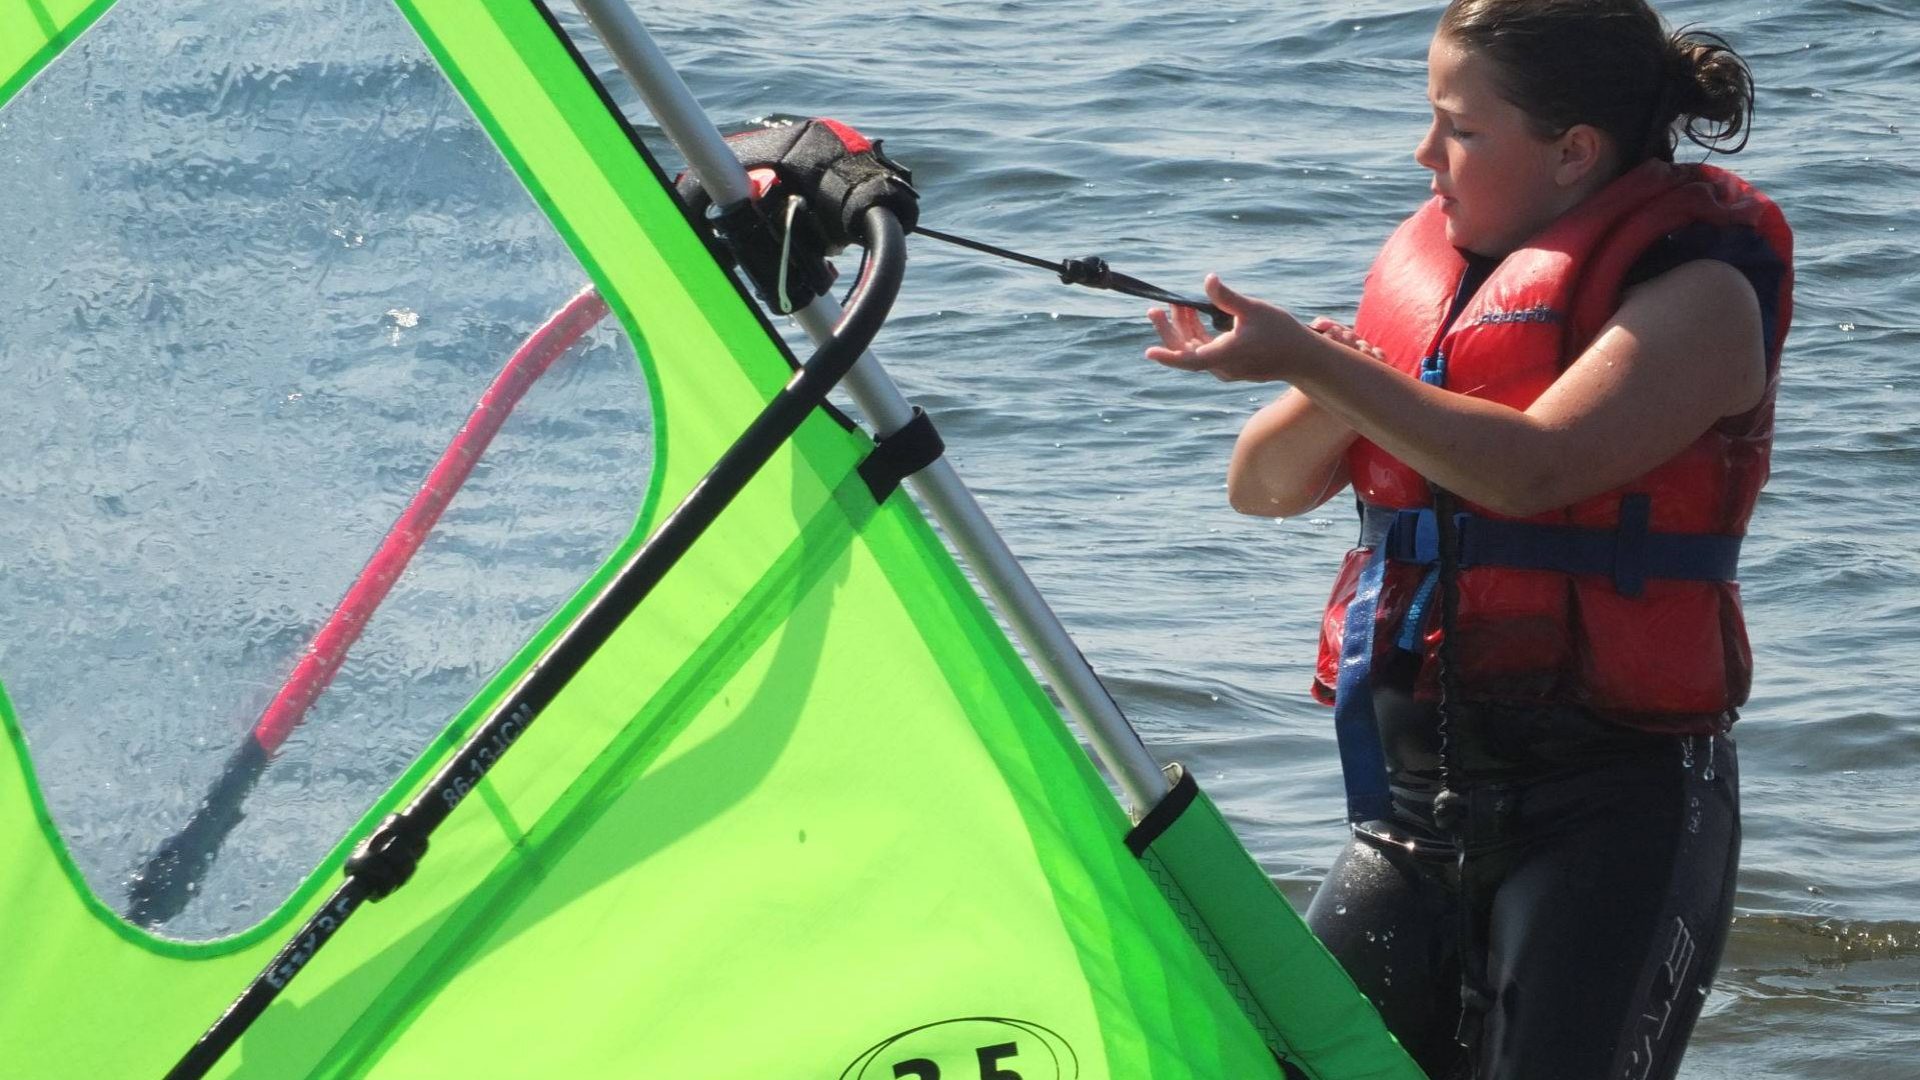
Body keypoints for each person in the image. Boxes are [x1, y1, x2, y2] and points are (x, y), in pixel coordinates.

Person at [1144, 1, 1793, 1077]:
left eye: (1461, 128)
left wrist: (1318, 363)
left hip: (1609, 811)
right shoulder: (1441, 299)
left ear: (1574, 152)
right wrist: (1327, 374)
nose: (1424, 153)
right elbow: (1258, 489)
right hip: (1410, 813)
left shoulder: (1704, 298)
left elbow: (1532, 469)